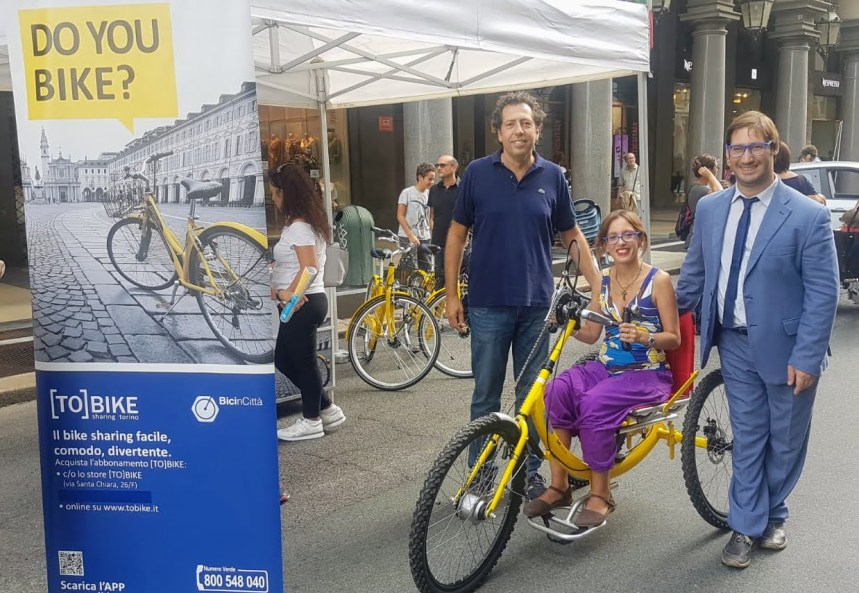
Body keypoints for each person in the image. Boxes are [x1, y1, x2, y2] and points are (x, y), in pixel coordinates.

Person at [676, 111, 839, 569]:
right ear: (727, 155)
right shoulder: (711, 209)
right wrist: (650, 312)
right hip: (734, 342)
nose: (746, 157)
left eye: (755, 147)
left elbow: (823, 292)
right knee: (749, 438)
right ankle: (746, 527)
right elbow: (694, 276)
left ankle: (774, 512)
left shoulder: (807, 214)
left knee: (784, 442)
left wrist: (808, 356)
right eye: (737, 148)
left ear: (773, 150)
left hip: (790, 349)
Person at [444, 91, 601, 500]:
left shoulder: (553, 177)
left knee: (533, 397)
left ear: (538, 129)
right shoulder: (477, 173)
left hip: (537, 307)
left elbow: (571, 233)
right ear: (498, 132)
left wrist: (598, 282)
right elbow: (456, 235)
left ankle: (529, 473)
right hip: (487, 304)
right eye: (511, 123)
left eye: (526, 123)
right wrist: (452, 295)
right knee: (486, 397)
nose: (519, 130)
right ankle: (480, 474)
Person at [523, 211, 680, 524]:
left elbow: (674, 338)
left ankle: (601, 494)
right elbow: (592, 334)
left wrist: (646, 336)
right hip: (605, 367)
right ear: (604, 245)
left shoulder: (659, 280)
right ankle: (559, 485)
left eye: (628, 235)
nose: (621, 242)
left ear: (641, 240)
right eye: (613, 237)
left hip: (647, 374)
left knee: (595, 403)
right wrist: (567, 323)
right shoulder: (603, 281)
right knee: (555, 391)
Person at [270, 163, 346, 442]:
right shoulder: (305, 223)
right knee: (286, 359)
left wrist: (286, 294)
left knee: (303, 363)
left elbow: (309, 267)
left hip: (302, 303)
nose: (273, 199)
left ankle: (312, 420)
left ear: (285, 193)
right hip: (307, 301)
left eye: (275, 193)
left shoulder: (300, 227)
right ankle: (327, 408)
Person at [427, 155, 460, 289]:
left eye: (442, 165)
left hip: (458, 243)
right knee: (439, 281)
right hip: (438, 243)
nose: (439, 168)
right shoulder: (434, 190)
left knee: (456, 281)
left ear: (453, 167)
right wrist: (433, 231)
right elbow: (432, 216)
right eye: (438, 165)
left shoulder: (463, 188)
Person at [397, 162, 435, 272]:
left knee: (426, 268)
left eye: (433, 179)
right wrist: (410, 235)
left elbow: (431, 217)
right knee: (409, 267)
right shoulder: (407, 193)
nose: (432, 182)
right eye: (429, 179)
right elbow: (400, 215)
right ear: (420, 177)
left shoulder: (430, 194)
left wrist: (434, 233)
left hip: (425, 236)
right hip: (406, 235)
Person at [684, 154, 722, 250]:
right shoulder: (698, 189)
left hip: (702, 237)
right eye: (716, 167)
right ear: (708, 170)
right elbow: (720, 195)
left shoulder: (702, 188)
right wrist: (710, 176)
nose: (718, 169)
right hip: (699, 239)